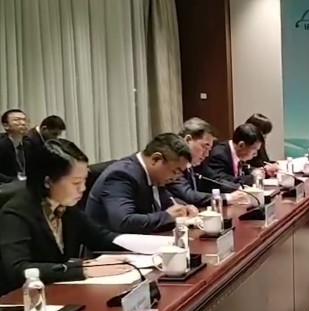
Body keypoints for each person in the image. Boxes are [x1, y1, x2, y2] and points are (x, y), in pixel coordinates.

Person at [0, 139, 131, 295]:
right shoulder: (15, 214)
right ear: (48, 182)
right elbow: (17, 270)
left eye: (84, 180)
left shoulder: (66, 207)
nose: (83, 188)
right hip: (22, 300)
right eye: (76, 182)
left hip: (57, 292)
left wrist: (152, 245)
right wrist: (82, 270)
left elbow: (101, 237)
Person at [86, 133, 197, 234]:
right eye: (175, 171)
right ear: (155, 159)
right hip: (110, 246)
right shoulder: (122, 175)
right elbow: (124, 222)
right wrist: (167, 216)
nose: (176, 178)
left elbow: (166, 202)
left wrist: (184, 208)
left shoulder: (154, 176)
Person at [167, 118, 250, 207]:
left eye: (209, 149)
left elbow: (215, 180)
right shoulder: (173, 163)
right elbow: (189, 196)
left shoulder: (196, 164)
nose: (206, 154)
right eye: (205, 147)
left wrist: (239, 188)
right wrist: (227, 197)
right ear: (188, 140)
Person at [197, 123, 263, 193]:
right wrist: (253, 177)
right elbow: (222, 183)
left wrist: (255, 171)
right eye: (254, 149)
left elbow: (242, 173)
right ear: (241, 145)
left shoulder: (239, 154)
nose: (255, 154)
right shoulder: (219, 155)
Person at [0, 109, 30, 183]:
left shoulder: (30, 143)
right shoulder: (2, 144)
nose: (23, 123)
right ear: (6, 126)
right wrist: (12, 181)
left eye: (24, 120)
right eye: (17, 120)